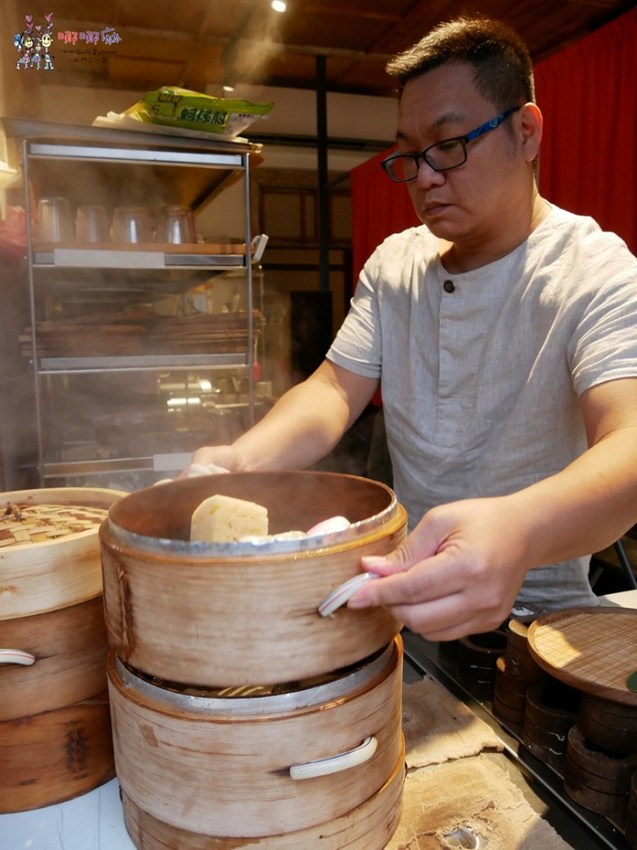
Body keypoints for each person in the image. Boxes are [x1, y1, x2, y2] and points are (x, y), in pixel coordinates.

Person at [188, 16, 637, 641]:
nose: (425, 177)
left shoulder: (595, 269)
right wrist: (240, 461)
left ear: (526, 132)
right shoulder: (395, 263)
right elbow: (333, 391)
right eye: (410, 155)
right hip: (401, 592)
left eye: (449, 145)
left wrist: (518, 529)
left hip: (538, 616)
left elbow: (629, 442)